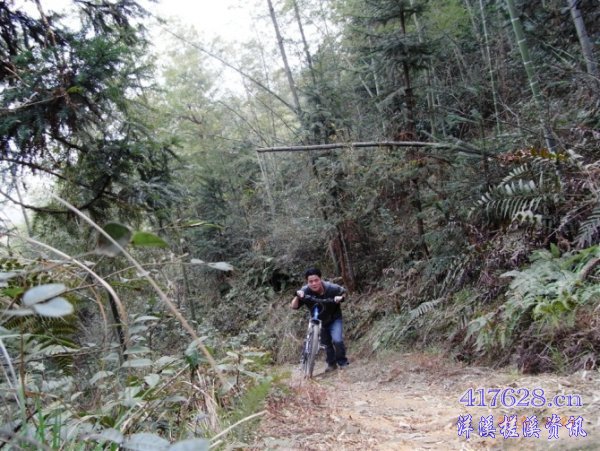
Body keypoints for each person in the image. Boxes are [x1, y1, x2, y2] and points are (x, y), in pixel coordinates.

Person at [291, 268, 349, 372]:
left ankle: (342, 362)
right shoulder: (305, 290)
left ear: (320, 279)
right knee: (326, 344)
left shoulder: (332, 288)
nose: (314, 283)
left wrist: (340, 298)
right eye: (310, 281)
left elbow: (344, 293)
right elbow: (294, 306)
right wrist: (297, 296)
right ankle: (331, 364)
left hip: (334, 318)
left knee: (337, 340)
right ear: (307, 282)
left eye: (316, 280)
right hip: (318, 321)